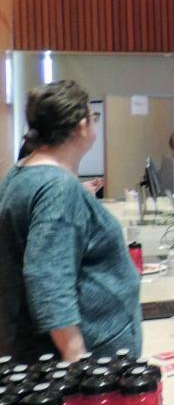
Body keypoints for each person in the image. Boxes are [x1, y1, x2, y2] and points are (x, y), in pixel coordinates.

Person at [0, 80, 141, 361]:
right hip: (86, 360)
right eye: (94, 118)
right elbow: (47, 277)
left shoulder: (20, 174)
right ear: (81, 126)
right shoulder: (58, 188)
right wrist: (76, 361)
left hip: (32, 345)